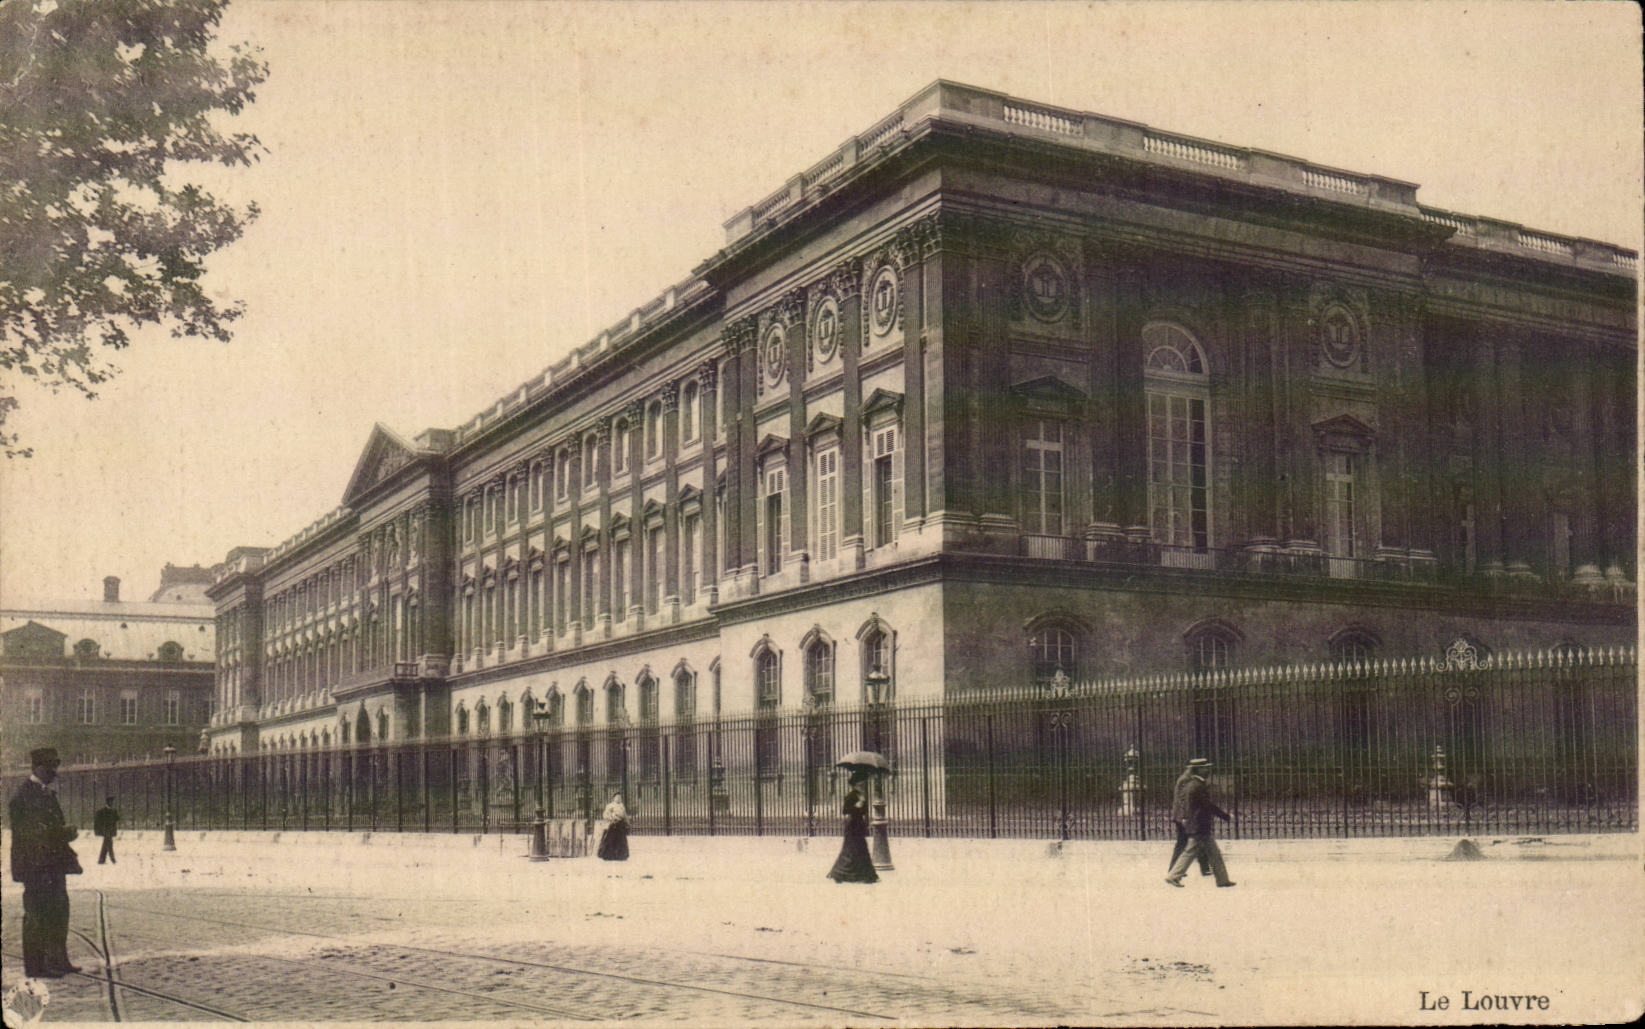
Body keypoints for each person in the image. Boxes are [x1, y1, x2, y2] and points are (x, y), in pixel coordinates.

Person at [8, 747, 83, 978]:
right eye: (50, 767)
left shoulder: (44, 793)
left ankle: (58, 960)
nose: (54, 772)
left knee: (59, 911)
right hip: (36, 865)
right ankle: (36, 966)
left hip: (52, 864)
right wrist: (63, 833)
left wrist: (61, 834)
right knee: (37, 915)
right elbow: (32, 834)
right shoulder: (24, 796)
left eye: (55, 766)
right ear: (37, 767)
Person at [1164, 757, 1235, 888]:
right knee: (1190, 852)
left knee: (1214, 853)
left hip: (1198, 825)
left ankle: (1222, 880)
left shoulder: (1195, 784)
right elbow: (1208, 805)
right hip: (1199, 825)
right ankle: (1173, 876)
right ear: (1199, 770)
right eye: (1205, 768)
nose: (1208, 770)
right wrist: (1225, 816)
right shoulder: (1196, 786)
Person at [826, 772, 878, 884]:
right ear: (854, 785)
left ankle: (865, 875)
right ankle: (839, 873)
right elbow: (845, 810)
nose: (862, 786)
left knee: (861, 849)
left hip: (859, 825)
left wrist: (863, 806)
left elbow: (864, 812)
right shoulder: (851, 796)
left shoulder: (862, 796)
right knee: (849, 850)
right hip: (852, 826)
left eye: (863, 784)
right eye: (860, 784)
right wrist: (857, 805)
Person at [596, 793, 629, 861]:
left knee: (621, 841)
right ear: (614, 798)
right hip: (613, 825)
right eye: (617, 797)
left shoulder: (622, 806)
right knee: (610, 840)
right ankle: (608, 855)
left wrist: (627, 823)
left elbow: (625, 816)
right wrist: (612, 818)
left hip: (620, 825)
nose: (618, 799)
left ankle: (620, 856)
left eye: (620, 797)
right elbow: (605, 814)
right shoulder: (610, 805)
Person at [94, 796, 121, 865]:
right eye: (110, 802)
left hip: (110, 831)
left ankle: (101, 860)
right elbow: (98, 821)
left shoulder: (113, 811)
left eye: (112, 802)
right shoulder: (102, 811)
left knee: (105, 845)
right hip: (106, 831)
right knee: (109, 844)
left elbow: (117, 818)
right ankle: (113, 859)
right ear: (108, 802)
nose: (111, 803)